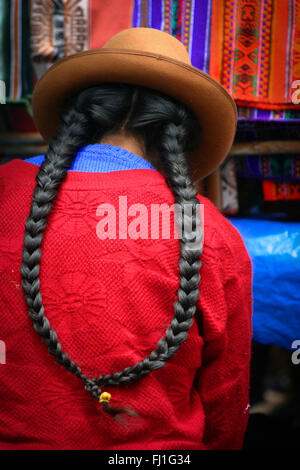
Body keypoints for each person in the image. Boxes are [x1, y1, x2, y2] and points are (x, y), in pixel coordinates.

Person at [0, 27, 252, 450]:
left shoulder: (4, 190)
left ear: (79, 114)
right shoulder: (210, 233)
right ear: (181, 137)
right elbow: (227, 397)